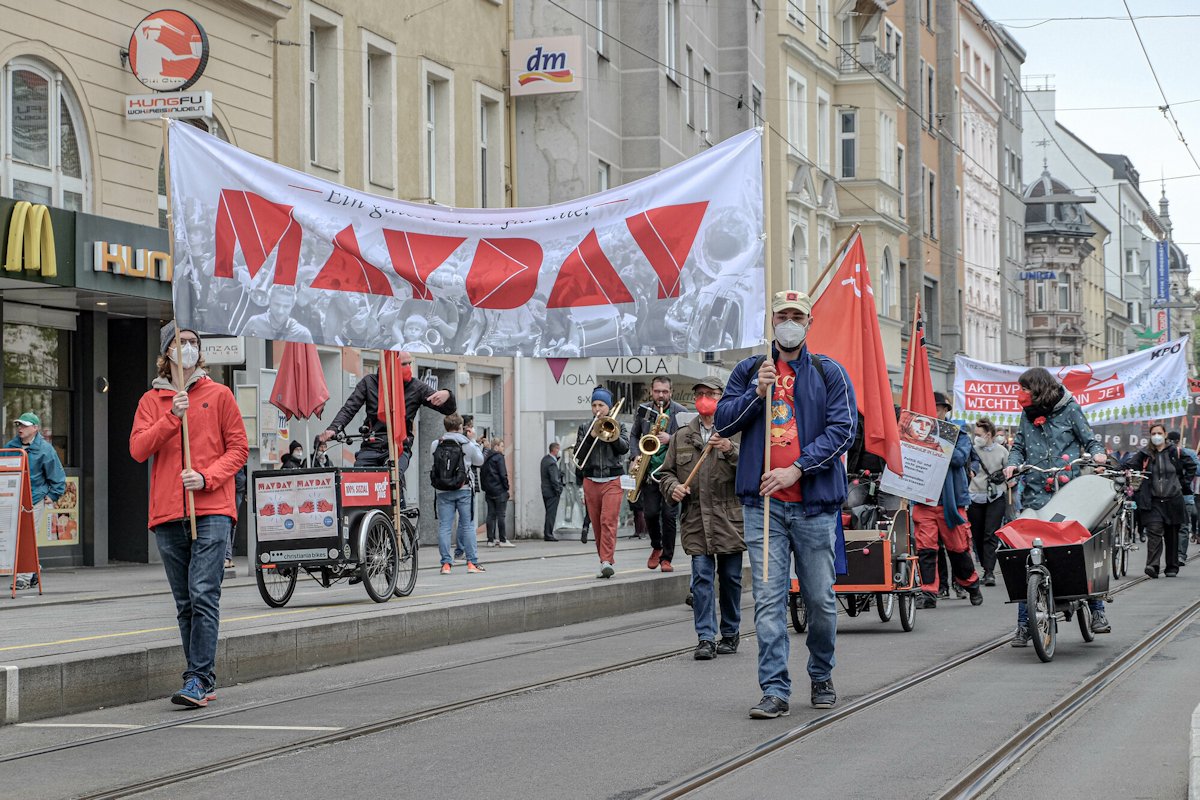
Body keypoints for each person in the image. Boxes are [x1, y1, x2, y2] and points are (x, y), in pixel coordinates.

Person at [715, 289, 856, 718]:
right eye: (782, 315)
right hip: (765, 508)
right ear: (771, 321)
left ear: (809, 324)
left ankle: (821, 673)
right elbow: (723, 422)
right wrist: (755, 395)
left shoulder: (829, 372)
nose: (789, 321)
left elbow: (843, 429)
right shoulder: (747, 371)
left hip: (813, 506)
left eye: (797, 315)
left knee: (820, 600)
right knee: (769, 600)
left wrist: (797, 468)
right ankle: (774, 689)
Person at [129, 322, 249, 707]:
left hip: (212, 509)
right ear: (166, 353)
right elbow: (138, 449)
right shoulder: (152, 401)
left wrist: (207, 477)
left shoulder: (220, 394)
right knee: (184, 603)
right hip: (167, 513)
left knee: (202, 594)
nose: (189, 348)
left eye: (194, 343)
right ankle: (202, 677)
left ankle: (198, 678)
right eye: (180, 343)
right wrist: (171, 418)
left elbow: (238, 449)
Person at [1004, 367, 1109, 645]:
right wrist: (1011, 463)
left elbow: (1090, 440)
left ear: (1038, 388)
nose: (1020, 394)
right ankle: (1025, 625)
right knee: (1027, 553)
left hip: (1069, 492)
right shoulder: (1027, 417)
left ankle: (1097, 610)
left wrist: (1098, 456)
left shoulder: (1070, 409)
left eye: (1024, 388)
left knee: (1081, 545)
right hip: (1036, 494)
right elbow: (1018, 447)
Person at [658, 376, 743, 661]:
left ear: (723, 398)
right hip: (695, 519)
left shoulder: (736, 430)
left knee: (730, 579)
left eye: (712, 394)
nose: (705, 399)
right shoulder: (682, 435)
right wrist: (674, 487)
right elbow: (666, 473)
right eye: (701, 394)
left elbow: (752, 471)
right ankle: (705, 637)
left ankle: (730, 632)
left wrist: (730, 450)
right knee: (701, 580)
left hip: (728, 519)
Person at [321, 352, 455, 492]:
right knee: (357, 480)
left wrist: (447, 394)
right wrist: (334, 428)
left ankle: (399, 507)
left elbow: (448, 410)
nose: (409, 368)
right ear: (390, 365)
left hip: (399, 447)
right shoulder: (369, 382)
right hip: (371, 446)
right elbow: (349, 408)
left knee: (393, 481)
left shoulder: (416, 387)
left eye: (410, 363)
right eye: (404, 364)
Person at [913, 393, 984, 609]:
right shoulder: (914, 433)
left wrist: (935, 439)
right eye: (930, 407)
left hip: (950, 502)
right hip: (924, 500)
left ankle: (971, 584)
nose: (934, 411)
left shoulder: (958, 434)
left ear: (945, 411)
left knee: (958, 548)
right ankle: (928, 593)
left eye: (938, 408)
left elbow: (959, 458)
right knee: (925, 548)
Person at [630, 376, 688, 572]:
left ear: (671, 392)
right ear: (651, 391)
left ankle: (667, 558)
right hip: (649, 471)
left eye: (664, 391)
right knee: (651, 513)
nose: (661, 395)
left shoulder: (681, 412)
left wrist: (671, 438)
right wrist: (635, 456)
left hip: (671, 473)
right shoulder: (643, 410)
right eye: (657, 391)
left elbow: (689, 439)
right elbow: (633, 435)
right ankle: (656, 545)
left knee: (669, 516)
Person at [1127, 424, 1195, 578]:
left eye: (1159, 433)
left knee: (1171, 535)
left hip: (1173, 500)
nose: (1156, 436)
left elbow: (1191, 466)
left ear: (1165, 435)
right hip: (1153, 501)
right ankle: (1152, 565)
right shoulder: (1145, 453)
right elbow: (1130, 465)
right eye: (1153, 433)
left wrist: (1184, 483)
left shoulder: (1176, 452)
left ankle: (1171, 566)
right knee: (1154, 532)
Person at [7, 412, 66, 589]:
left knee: (26, 537)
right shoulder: (11, 447)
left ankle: (23, 578)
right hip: (14, 498)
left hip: (35, 499)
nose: (20, 429)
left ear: (35, 428)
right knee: (17, 537)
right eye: (19, 425)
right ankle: (34, 571)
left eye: (24, 426)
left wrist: (53, 495)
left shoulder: (46, 450)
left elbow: (57, 475)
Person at [577, 387, 630, 578]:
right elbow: (579, 455)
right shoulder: (585, 427)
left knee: (608, 521)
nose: (597, 409)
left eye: (601, 405)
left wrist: (611, 434)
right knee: (598, 524)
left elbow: (624, 449)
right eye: (594, 405)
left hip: (612, 480)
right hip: (591, 480)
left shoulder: (619, 425)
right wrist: (592, 435)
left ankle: (607, 560)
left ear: (608, 407)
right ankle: (604, 560)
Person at [430, 414, 485, 573]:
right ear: (461, 427)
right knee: (467, 526)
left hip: (442, 491)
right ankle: (471, 563)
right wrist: (473, 440)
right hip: (464, 489)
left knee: (445, 527)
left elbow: (434, 462)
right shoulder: (467, 444)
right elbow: (479, 461)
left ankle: (446, 564)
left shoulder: (436, 444)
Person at [967, 417, 1008, 586]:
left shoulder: (1002, 451)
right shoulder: (972, 450)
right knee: (977, 535)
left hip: (996, 496)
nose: (976, 437)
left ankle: (990, 571)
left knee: (990, 534)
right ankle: (985, 566)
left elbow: (1009, 471)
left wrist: (1009, 479)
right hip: (975, 496)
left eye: (979, 434)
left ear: (989, 434)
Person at [1167, 431, 1200, 564]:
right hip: (1166, 496)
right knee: (1172, 527)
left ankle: (1180, 555)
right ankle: (1174, 555)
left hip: (1184, 496)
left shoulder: (1188, 453)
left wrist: (1185, 473)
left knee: (1183, 526)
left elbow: (1198, 470)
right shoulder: (1162, 453)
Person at [481, 437, 513, 547]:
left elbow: (482, 474)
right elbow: (503, 474)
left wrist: (484, 488)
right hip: (499, 490)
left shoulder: (485, 458)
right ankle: (503, 539)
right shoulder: (499, 457)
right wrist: (506, 487)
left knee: (490, 515)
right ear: (496, 446)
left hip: (489, 491)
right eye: (502, 446)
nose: (503, 448)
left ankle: (491, 540)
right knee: (501, 515)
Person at [541, 442, 564, 541]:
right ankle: (548, 534)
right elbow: (554, 479)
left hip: (545, 490)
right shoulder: (551, 463)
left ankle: (547, 533)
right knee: (551, 513)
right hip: (552, 492)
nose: (559, 451)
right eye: (558, 449)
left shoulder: (545, 460)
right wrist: (558, 490)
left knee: (548, 512)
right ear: (554, 450)